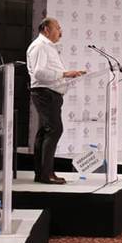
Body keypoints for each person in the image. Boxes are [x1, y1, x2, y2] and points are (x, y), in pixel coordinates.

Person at [27, 18, 86, 184]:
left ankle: (42, 173)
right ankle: (46, 174)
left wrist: (68, 75)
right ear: (46, 29)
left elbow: (48, 71)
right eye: (58, 28)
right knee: (54, 129)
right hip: (45, 93)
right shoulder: (40, 46)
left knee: (46, 131)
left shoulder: (47, 46)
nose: (60, 32)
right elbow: (39, 73)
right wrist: (65, 74)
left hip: (49, 92)